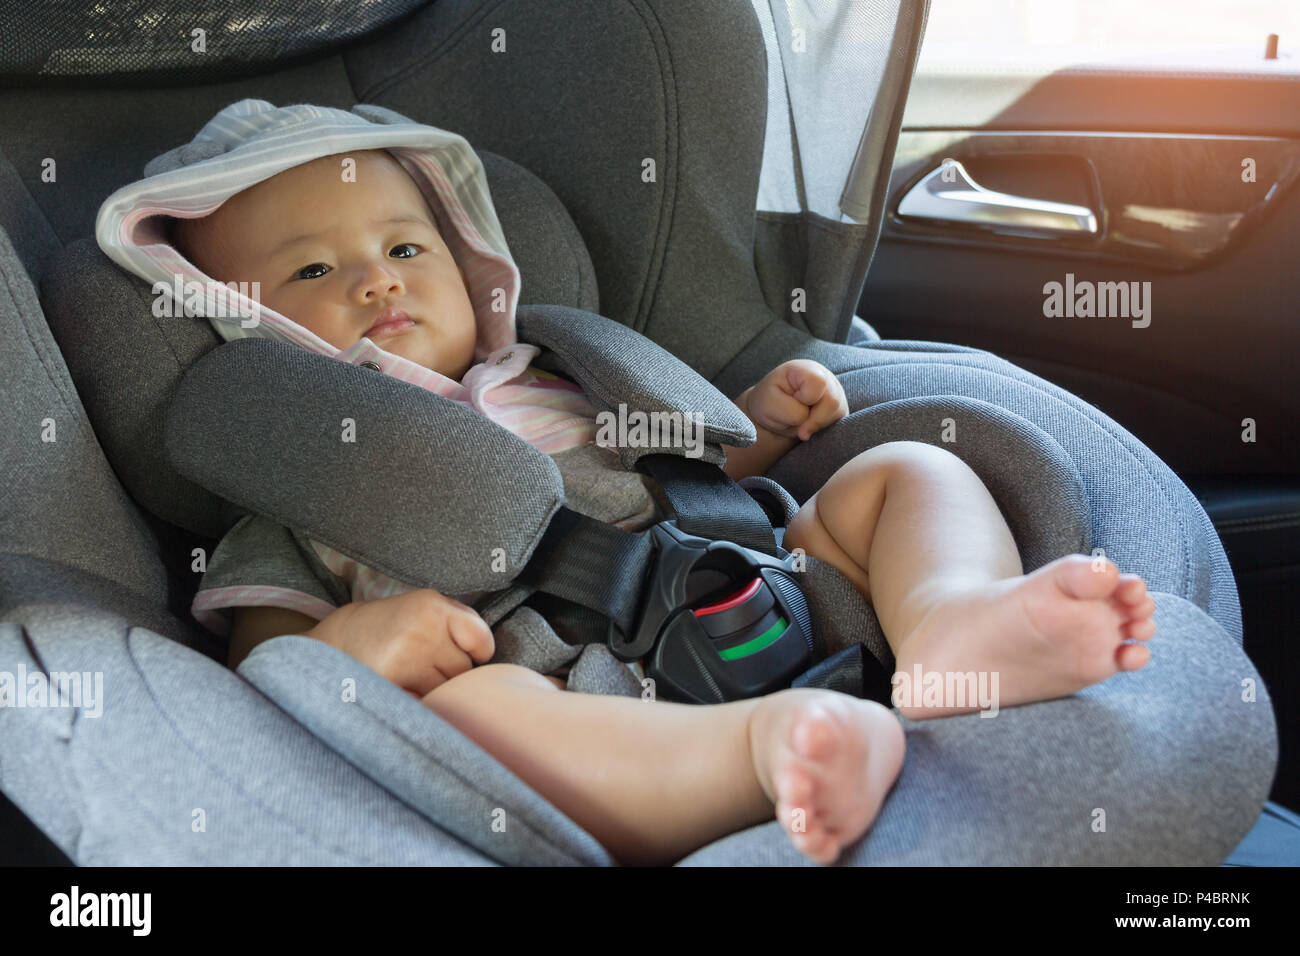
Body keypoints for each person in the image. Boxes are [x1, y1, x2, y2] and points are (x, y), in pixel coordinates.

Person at [110, 104, 1156, 866]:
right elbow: (257, 663)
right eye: (311, 272)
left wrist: (759, 425)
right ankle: (760, 755)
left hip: (778, 577)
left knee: (904, 473)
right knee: (480, 714)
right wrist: (350, 647)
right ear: (252, 328)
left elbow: (686, 463)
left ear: (473, 266)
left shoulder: (563, 373)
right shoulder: (301, 485)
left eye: (400, 245)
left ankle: (946, 626)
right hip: (587, 690)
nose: (376, 279)